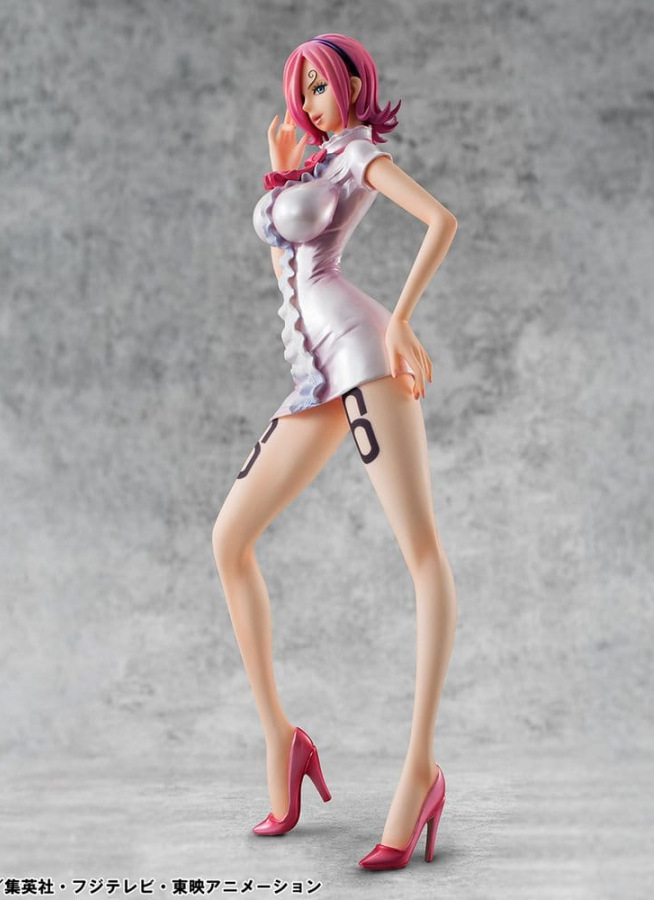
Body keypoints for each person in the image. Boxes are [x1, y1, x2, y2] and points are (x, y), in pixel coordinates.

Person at [212, 33, 458, 871]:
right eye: (304, 90)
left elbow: (441, 220)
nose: (313, 104)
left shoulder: (357, 158)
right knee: (230, 541)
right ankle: (282, 740)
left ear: (355, 85)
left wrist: (403, 321)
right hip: (314, 376)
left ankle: (420, 770)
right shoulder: (314, 162)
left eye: (324, 86)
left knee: (421, 555)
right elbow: (292, 259)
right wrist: (281, 175)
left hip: (363, 356)